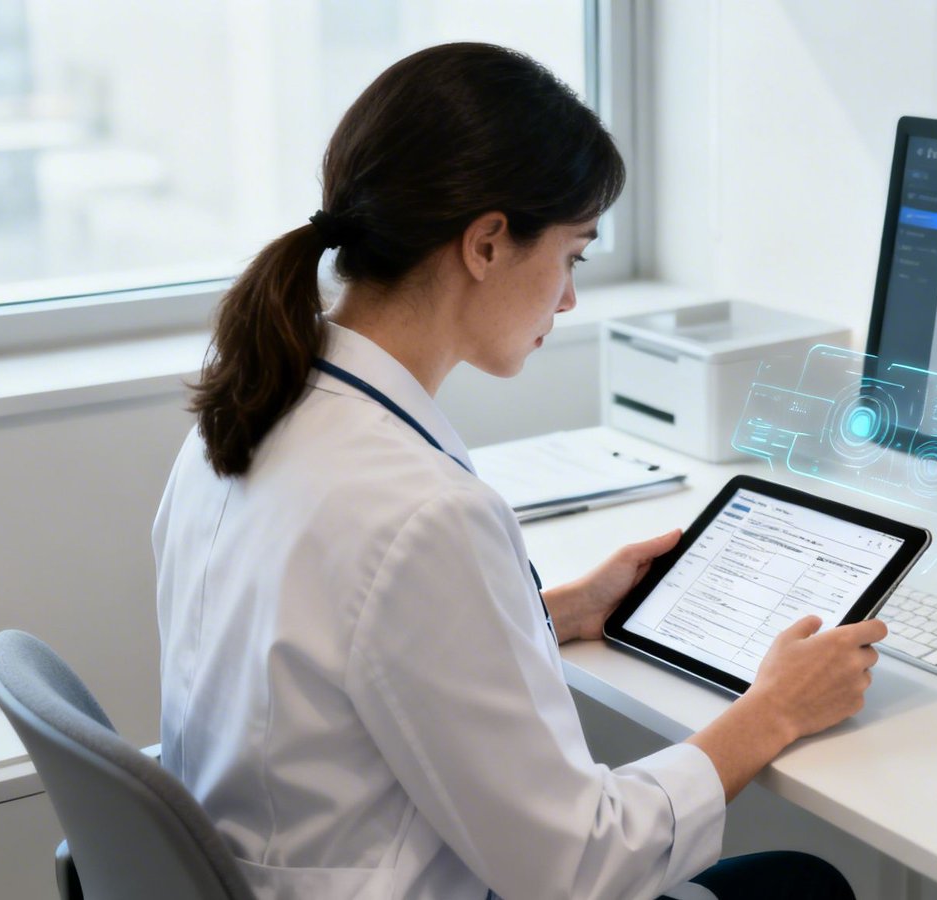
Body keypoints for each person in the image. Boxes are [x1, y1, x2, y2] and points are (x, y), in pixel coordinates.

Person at [153, 42, 886, 900]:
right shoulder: (422, 514)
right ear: (488, 243)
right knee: (801, 887)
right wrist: (776, 710)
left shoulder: (247, 410)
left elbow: (341, 650)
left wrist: (553, 613)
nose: (570, 298)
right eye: (573, 254)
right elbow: (577, 865)